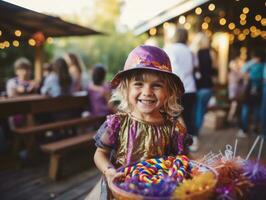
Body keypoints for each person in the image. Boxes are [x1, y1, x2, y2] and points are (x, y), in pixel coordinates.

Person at [90, 45, 192, 199]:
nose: (147, 92)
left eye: (156, 85)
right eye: (138, 84)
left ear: (168, 91)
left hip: (159, 194)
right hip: (123, 192)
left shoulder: (174, 130)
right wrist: (109, 171)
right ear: (126, 89)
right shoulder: (117, 124)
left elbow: (183, 161)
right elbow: (100, 154)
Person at [164, 28, 197, 151]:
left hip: (176, 88)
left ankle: (176, 143)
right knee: (188, 116)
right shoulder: (190, 51)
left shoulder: (170, 49)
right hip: (190, 87)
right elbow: (194, 67)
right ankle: (192, 141)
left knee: (173, 116)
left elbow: (171, 69)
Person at [190, 32, 216, 150]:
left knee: (197, 111)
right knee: (202, 110)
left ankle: (195, 134)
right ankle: (196, 132)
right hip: (208, 87)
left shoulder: (194, 53)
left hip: (198, 87)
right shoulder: (211, 53)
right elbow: (214, 69)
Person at [237, 49, 264, 137]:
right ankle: (256, 128)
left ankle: (244, 129)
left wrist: (248, 76)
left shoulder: (253, 65)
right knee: (257, 108)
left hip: (251, 88)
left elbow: (242, 71)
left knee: (247, 107)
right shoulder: (263, 65)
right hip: (259, 89)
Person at [6, 57, 36, 128]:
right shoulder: (12, 82)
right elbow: (13, 96)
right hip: (15, 112)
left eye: (27, 69)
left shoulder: (32, 83)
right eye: (22, 69)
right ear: (16, 71)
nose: (25, 71)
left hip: (31, 112)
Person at [227, 56, 244, 124]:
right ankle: (229, 119)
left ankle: (231, 119)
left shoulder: (237, 72)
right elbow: (235, 82)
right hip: (234, 92)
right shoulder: (232, 73)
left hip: (237, 92)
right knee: (234, 105)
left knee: (235, 106)